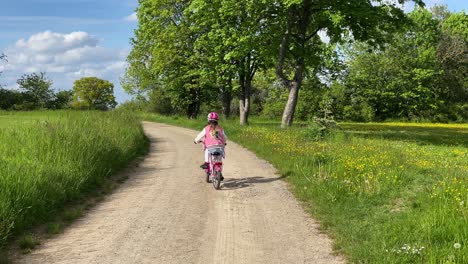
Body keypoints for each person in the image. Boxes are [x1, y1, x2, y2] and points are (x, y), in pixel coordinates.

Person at [194, 112, 227, 178]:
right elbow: (225, 137)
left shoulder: (206, 128)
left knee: (207, 150)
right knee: (219, 160)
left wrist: (196, 140)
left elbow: (200, 135)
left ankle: (206, 163)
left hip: (210, 147)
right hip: (220, 146)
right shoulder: (220, 128)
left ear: (208, 120)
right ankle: (219, 173)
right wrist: (224, 142)